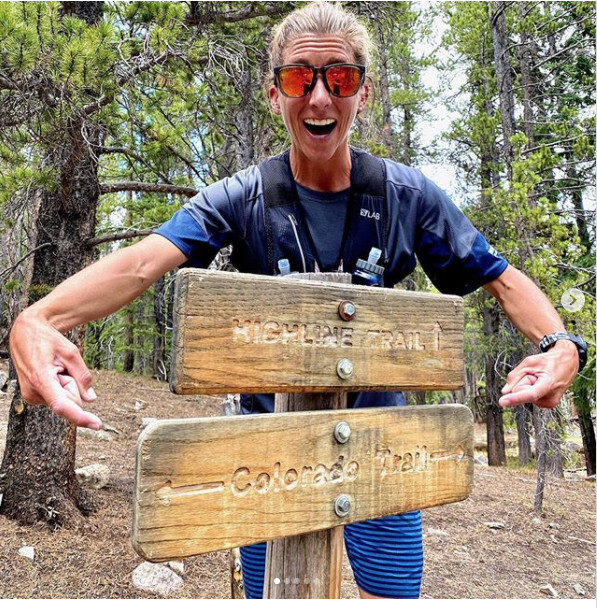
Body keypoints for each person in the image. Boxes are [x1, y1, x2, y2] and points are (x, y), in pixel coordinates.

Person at [9, 2, 585, 600]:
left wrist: (561, 345)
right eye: (298, 78)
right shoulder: (244, 196)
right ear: (273, 93)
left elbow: (499, 276)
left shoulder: (406, 197)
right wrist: (39, 318)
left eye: (340, 77)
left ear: (363, 92)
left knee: (392, 594)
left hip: (383, 451)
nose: (319, 97)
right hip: (269, 459)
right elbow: (140, 262)